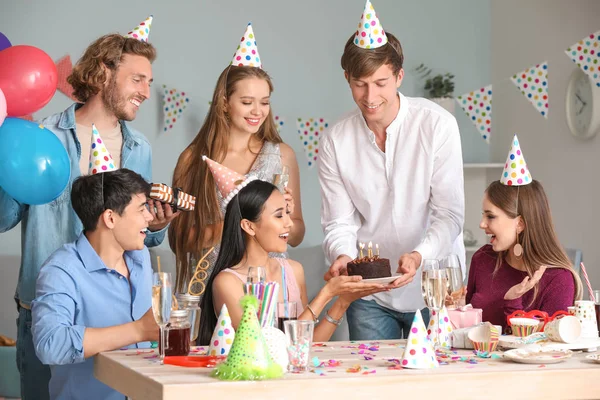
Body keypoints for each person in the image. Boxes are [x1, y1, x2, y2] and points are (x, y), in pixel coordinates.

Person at [0, 17, 178, 400]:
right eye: (137, 79)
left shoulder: (139, 148)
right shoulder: (44, 136)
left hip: (117, 316)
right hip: (46, 310)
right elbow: (4, 219)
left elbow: (135, 233)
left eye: (149, 81)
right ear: (103, 73)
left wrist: (158, 224)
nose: (147, 91)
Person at [320, 1, 465, 340]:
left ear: (399, 76)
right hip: (370, 292)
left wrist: (419, 255)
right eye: (360, 83)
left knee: (438, 386)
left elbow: (449, 215)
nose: (370, 96)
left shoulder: (437, 126)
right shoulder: (335, 140)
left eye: (381, 83)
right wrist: (342, 255)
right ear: (347, 79)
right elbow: (338, 222)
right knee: (370, 382)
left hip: (436, 285)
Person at [169, 23, 304, 294]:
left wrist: (284, 217)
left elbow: (297, 234)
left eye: (264, 102)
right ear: (224, 103)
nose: (257, 111)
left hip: (269, 289)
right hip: (210, 288)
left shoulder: (282, 155)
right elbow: (179, 240)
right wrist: (233, 224)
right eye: (247, 102)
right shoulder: (193, 160)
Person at [197, 159, 388, 344]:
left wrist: (343, 301)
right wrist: (325, 294)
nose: (289, 223)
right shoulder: (227, 283)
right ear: (248, 226)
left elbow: (306, 344)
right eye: (279, 215)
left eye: (288, 213)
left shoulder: (293, 271)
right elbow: (261, 348)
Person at [31, 166, 159, 400]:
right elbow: (49, 344)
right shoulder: (61, 271)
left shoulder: (140, 258)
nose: (150, 217)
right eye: (142, 209)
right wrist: (138, 330)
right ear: (110, 218)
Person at [466, 135, 582, 331]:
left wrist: (513, 302)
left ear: (520, 223)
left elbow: (548, 347)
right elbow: (466, 329)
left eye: (491, 216)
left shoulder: (558, 280)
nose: (482, 224)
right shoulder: (482, 259)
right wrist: (453, 309)